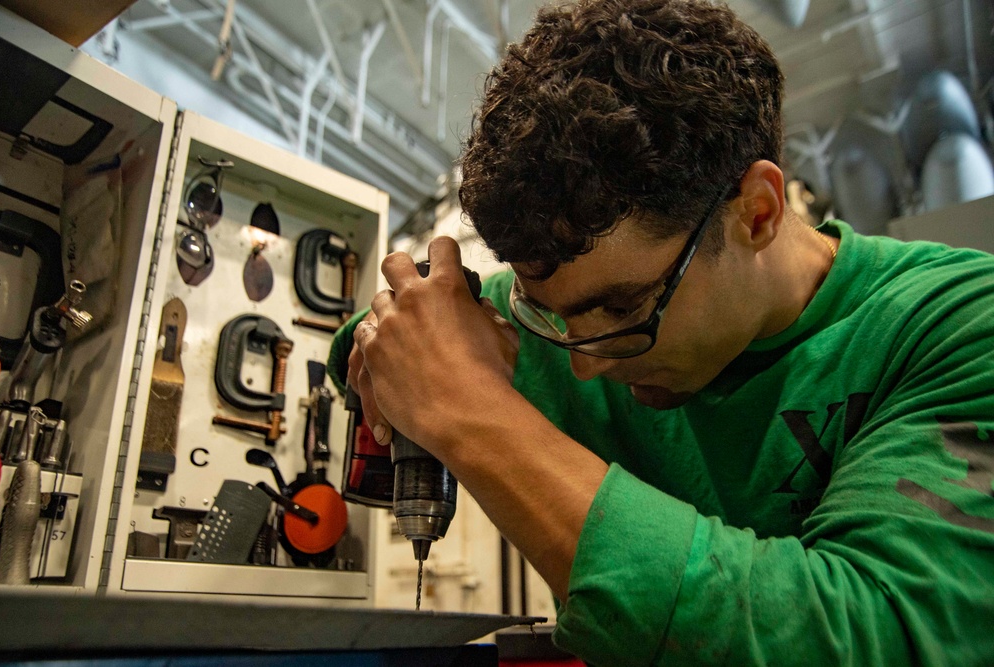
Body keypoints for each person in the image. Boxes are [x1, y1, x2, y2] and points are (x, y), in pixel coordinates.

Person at [329, 0, 994, 663]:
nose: (584, 363)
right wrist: (390, 344)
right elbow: (378, 335)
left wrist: (474, 413)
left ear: (757, 212)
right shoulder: (574, 321)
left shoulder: (958, 323)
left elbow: (870, 635)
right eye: (548, 311)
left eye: (623, 310)